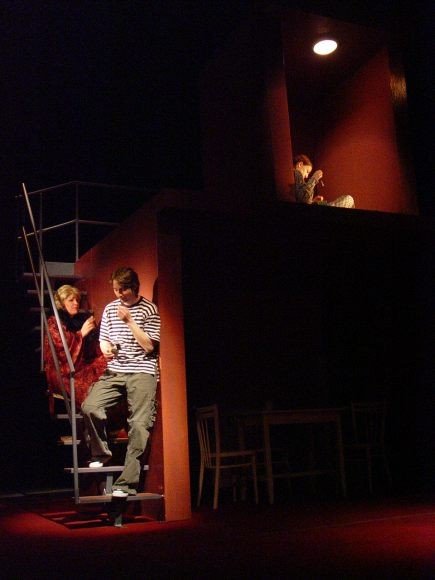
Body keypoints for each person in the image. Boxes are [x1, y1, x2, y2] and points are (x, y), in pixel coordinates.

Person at [81, 266, 160, 497]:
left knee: (139, 425)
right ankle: (100, 453)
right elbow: (104, 339)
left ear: (133, 287)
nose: (118, 294)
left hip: (142, 371)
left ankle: (126, 484)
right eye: (115, 290)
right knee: (90, 406)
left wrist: (130, 322)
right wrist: (106, 348)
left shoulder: (149, 309)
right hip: (116, 370)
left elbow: (149, 346)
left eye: (122, 290)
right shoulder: (110, 309)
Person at [44, 284, 107, 409]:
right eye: (71, 300)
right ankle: (94, 408)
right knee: (89, 386)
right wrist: (81, 334)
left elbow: (89, 351)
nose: (76, 303)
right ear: (61, 303)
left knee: (105, 362)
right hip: (62, 372)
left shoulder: (78, 320)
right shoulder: (53, 322)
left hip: (79, 366)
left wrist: (95, 332)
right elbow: (62, 348)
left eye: (77, 300)